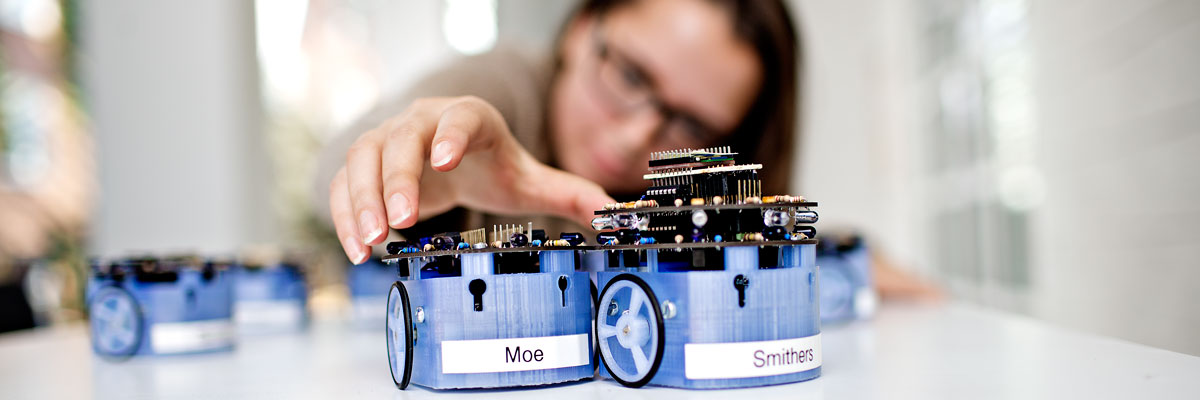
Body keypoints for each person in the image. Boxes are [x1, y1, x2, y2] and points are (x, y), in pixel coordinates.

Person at [318, 0, 799, 264]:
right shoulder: (505, 84)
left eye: (693, 124)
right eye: (631, 75)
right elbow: (332, 172)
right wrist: (403, 188)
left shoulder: (705, 199)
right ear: (582, 28)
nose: (635, 137)